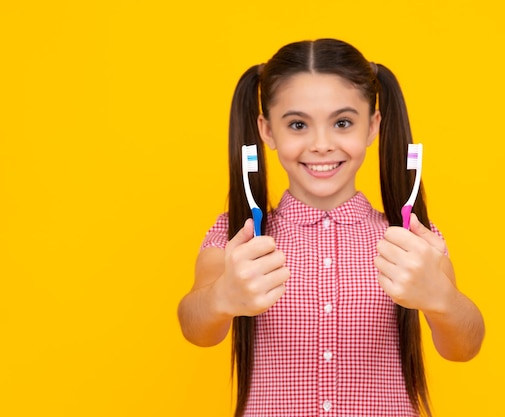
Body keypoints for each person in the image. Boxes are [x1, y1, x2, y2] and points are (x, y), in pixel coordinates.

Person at [178, 38, 485, 417]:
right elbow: (195, 328)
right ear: (267, 131)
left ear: (372, 127)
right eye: (297, 125)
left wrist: (441, 298)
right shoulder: (238, 237)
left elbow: (464, 347)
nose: (321, 145)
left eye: (342, 123)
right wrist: (222, 296)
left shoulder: (412, 239)